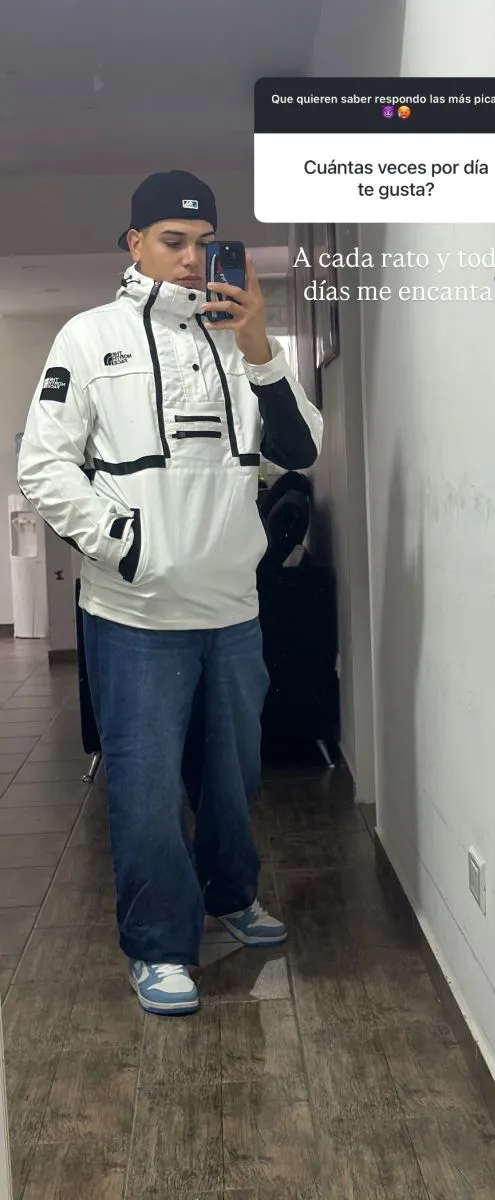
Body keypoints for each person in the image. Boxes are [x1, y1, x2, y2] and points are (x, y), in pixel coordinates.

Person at [17, 170, 323, 1015]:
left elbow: (299, 450)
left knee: (233, 777)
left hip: (233, 610)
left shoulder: (245, 343)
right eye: (172, 240)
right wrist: (127, 544)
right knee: (146, 789)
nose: (191, 258)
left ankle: (232, 894)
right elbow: (42, 465)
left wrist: (258, 345)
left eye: (205, 243)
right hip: (134, 613)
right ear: (136, 244)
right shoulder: (90, 336)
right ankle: (157, 945)